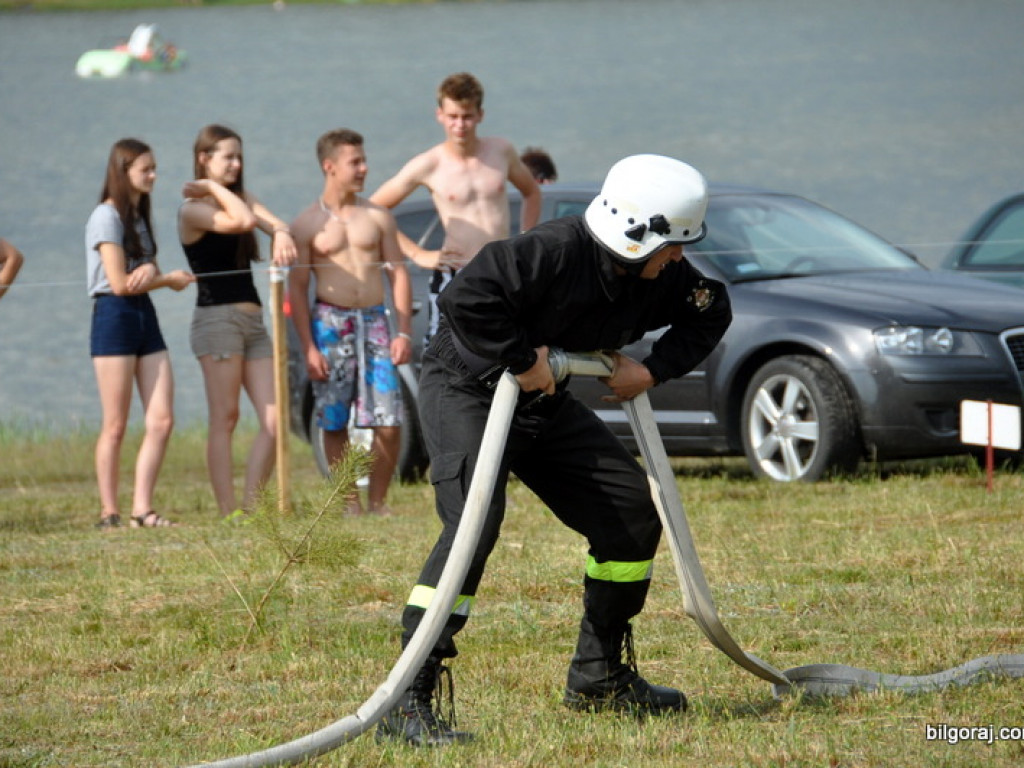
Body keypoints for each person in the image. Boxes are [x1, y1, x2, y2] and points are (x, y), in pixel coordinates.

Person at [377, 155, 733, 746]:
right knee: (473, 525)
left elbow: (710, 313)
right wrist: (522, 357)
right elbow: (466, 300)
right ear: (637, 233)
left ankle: (600, 677)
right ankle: (409, 695)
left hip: (540, 404)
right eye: (672, 246)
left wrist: (651, 371)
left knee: (629, 514)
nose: (679, 259)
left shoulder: (664, 275)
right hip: (468, 387)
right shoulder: (551, 250)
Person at [289, 129, 413, 515]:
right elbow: (296, 289)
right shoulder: (307, 223)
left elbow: (399, 273)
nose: (364, 168)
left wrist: (403, 331)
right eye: (354, 162)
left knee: (389, 420)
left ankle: (378, 500)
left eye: (363, 160)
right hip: (331, 322)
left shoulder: (377, 217)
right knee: (333, 419)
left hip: (375, 322)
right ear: (330, 167)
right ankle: (349, 502)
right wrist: (309, 347)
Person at [178, 124, 298, 518]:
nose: (236, 163)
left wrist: (280, 233)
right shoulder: (193, 209)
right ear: (204, 159)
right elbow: (243, 222)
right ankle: (228, 511)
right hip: (217, 321)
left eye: (239, 156)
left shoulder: (240, 197)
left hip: (253, 321)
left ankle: (250, 506)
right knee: (225, 417)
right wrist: (213, 190)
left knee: (275, 421)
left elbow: (273, 222)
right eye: (227, 156)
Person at [369, 71, 542, 342]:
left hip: (502, 268)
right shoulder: (429, 164)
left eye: (467, 116)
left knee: (513, 348)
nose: (460, 125)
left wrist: (524, 239)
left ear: (480, 114)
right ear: (440, 115)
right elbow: (374, 209)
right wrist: (417, 254)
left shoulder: (501, 151)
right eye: (452, 117)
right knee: (445, 351)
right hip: (455, 269)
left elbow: (531, 192)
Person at [86, 138, 195, 529]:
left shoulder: (139, 214)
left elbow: (144, 271)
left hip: (144, 315)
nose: (153, 176)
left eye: (153, 168)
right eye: (145, 169)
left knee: (162, 419)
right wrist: (165, 279)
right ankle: (108, 512)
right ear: (123, 171)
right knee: (115, 423)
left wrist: (153, 275)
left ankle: (142, 509)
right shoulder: (106, 216)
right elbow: (118, 283)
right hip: (114, 316)